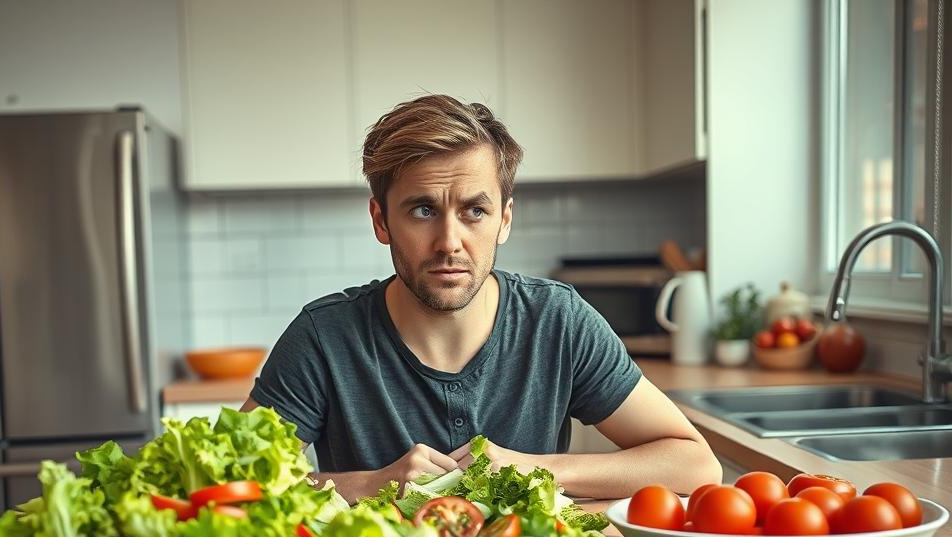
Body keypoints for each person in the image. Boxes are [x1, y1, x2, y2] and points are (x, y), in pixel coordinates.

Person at [242, 94, 721, 502]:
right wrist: (371, 484)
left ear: (505, 220)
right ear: (381, 221)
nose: (449, 241)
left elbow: (696, 464)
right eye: (423, 210)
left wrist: (534, 469)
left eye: (474, 210)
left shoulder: (558, 321)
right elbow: (231, 484)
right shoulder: (324, 338)